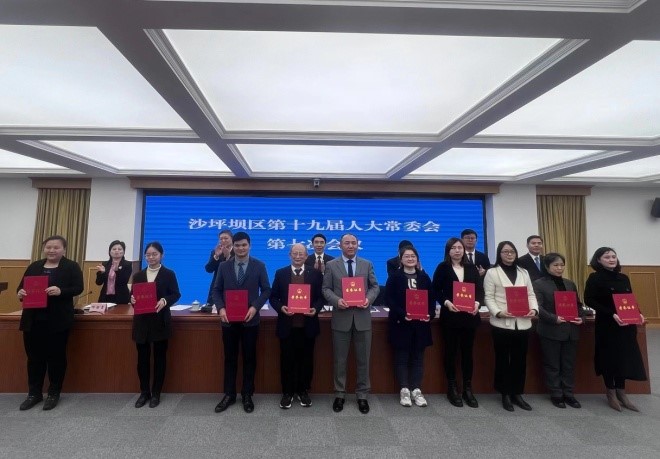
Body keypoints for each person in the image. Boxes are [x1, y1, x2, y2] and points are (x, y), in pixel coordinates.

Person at [16, 235, 84, 411]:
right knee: (34, 358)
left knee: (56, 358)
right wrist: (20, 293)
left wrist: (61, 291)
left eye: (56, 247)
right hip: (33, 320)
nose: (52, 250)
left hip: (57, 320)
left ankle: (54, 393)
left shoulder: (71, 266)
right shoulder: (34, 266)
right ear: (44, 249)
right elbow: (20, 288)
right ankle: (34, 393)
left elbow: (78, 288)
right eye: (48, 247)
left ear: (64, 250)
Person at [212, 231, 271, 414]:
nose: (241, 248)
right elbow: (216, 290)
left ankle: (247, 394)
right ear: (233, 247)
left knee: (249, 358)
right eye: (237, 245)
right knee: (230, 358)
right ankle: (229, 394)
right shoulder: (224, 266)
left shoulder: (259, 265)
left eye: (244, 245)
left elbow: (266, 290)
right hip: (228, 320)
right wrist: (221, 308)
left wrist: (255, 307)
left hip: (250, 320)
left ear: (249, 246)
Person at [322, 233, 380, 414]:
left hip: (363, 318)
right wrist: (336, 300)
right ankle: (340, 394)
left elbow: (375, 286)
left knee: (364, 360)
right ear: (340, 245)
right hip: (341, 318)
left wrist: (368, 299)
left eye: (353, 243)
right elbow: (326, 288)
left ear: (357, 245)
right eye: (346, 243)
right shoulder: (331, 265)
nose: (350, 246)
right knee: (340, 360)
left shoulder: (366, 264)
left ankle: (362, 395)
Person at [584, 247, 647, 412]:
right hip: (608, 324)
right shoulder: (595, 278)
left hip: (626, 325)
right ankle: (610, 392)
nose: (611, 259)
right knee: (609, 358)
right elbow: (589, 300)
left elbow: (630, 299)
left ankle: (621, 392)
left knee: (624, 358)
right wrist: (611, 314)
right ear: (598, 260)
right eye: (607, 257)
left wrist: (638, 313)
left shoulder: (623, 278)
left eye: (613, 256)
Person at [484, 240, 538, 412]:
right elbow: (488, 297)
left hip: (523, 323)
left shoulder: (524, 272)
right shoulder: (492, 272)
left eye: (512, 251)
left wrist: (534, 309)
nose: (509, 254)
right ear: (499, 254)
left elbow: (530, 294)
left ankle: (517, 393)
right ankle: (505, 393)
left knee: (519, 360)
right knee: (503, 360)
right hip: (502, 323)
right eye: (505, 252)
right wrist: (498, 312)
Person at [270, 243, 324, 409]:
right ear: (289, 255)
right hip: (287, 326)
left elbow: (321, 297)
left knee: (306, 360)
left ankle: (303, 390)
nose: (298, 256)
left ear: (306, 256)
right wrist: (281, 308)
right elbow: (273, 298)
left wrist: (315, 309)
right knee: (287, 360)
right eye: (295, 253)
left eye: (301, 253)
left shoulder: (315, 274)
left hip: (308, 325)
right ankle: (287, 392)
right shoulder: (281, 273)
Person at [432, 237, 484, 408]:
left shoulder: (471, 268)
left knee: (467, 353)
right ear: (448, 250)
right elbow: (435, 290)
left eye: (459, 247)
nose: (457, 250)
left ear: (464, 250)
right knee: (451, 352)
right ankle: (452, 387)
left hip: (470, 317)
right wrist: (446, 302)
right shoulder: (443, 267)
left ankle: (468, 389)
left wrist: (477, 303)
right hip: (451, 317)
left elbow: (479, 290)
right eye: (453, 248)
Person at [130, 242, 181, 409]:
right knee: (142, 359)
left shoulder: (168, 274)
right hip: (142, 322)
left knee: (160, 358)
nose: (151, 257)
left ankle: (156, 393)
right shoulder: (138, 275)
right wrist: (132, 299)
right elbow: (132, 296)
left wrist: (165, 300)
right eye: (148, 255)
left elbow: (176, 294)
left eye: (154, 254)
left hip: (160, 321)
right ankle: (144, 392)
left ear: (161, 255)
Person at [533, 253, 584, 409]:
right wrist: (554, 318)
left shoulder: (570, 283)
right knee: (552, 364)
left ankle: (568, 393)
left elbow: (578, 305)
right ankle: (556, 393)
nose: (559, 268)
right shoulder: (539, 284)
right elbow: (538, 307)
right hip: (550, 329)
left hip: (571, 330)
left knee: (568, 364)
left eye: (562, 265)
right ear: (547, 266)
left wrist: (581, 317)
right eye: (556, 265)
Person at [386, 245, 434, 407]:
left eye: (413, 256)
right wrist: (402, 313)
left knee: (418, 359)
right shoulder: (395, 277)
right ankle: (404, 390)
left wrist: (430, 314)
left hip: (420, 325)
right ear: (401, 259)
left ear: (417, 259)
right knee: (402, 358)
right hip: (401, 324)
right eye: (406, 256)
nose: (410, 259)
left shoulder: (424, 277)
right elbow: (389, 300)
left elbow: (431, 299)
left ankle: (416, 390)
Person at [95, 240, 132, 304]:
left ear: (123, 252)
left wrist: (117, 271)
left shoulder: (127, 264)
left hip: (121, 298)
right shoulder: (105, 264)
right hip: (105, 297)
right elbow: (98, 283)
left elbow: (123, 281)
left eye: (119, 249)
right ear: (110, 251)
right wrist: (102, 273)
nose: (116, 251)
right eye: (114, 249)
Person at [204, 229, 233, 304]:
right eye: (221, 239)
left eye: (226, 238)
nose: (223, 240)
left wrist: (228, 256)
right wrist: (216, 256)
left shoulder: (237, 252)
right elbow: (209, 269)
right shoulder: (215, 251)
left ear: (232, 239)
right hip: (217, 286)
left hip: (233, 287)